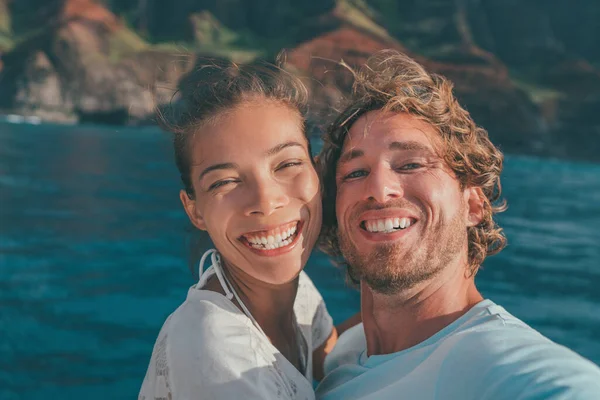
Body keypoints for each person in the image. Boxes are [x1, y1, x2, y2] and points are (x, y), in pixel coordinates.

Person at [315, 50, 600, 399]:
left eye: (411, 164)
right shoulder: (346, 352)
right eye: (356, 173)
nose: (379, 190)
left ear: (474, 204)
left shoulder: (505, 368)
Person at [139, 60, 357, 400]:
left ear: (316, 172)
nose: (265, 201)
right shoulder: (216, 356)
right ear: (194, 209)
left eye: (286, 164)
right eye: (225, 181)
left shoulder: (297, 293)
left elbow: (326, 354)